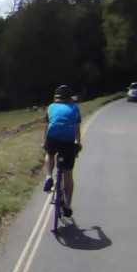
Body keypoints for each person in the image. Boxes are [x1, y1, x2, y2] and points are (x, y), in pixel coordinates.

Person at [42, 84, 82, 217]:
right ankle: (68, 205)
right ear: (70, 97)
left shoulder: (51, 107)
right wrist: (78, 142)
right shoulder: (75, 108)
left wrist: (45, 143)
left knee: (49, 153)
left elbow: (47, 127)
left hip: (52, 137)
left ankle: (49, 177)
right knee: (68, 173)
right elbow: (76, 128)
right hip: (67, 141)